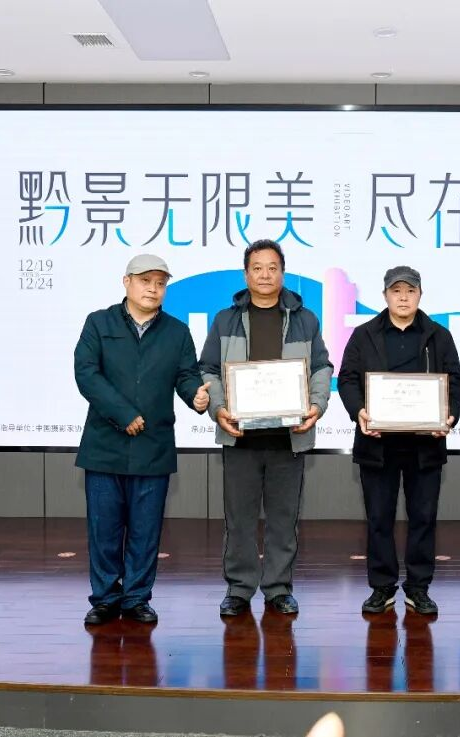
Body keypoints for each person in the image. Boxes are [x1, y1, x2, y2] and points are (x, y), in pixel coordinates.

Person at [199, 239, 333, 618]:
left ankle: (278, 588)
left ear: (282, 273)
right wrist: (219, 409)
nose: (265, 275)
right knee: (239, 520)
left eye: (272, 268)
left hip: (288, 438)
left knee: (283, 520)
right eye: (257, 268)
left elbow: (322, 367)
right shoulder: (225, 319)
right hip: (240, 437)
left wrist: (317, 405)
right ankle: (239, 589)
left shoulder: (305, 319)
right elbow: (208, 369)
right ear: (246, 274)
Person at [75, 253, 210, 626]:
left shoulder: (177, 332)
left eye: (160, 283)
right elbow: (86, 374)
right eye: (145, 281)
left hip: (153, 446)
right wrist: (123, 414)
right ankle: (105, 598)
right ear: (127, 282)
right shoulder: (98, 323)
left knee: (145, 532)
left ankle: (136, 598)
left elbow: (186, 375)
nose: (153, 289)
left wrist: (196, 396)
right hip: (104, 446)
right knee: (104, 530)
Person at [338, 266, 460, 616]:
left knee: (423, 517)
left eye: (410, 291)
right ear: (385, 296)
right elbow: (347, 379)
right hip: (377, 444)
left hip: (425, 445)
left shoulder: (439, 335)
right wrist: (359, 411)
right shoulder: (364, 335)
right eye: (397, 291)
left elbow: (454, 380)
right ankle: (382, 587)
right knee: (379, 518)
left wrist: (449, 415)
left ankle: (418, 588)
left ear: (420, 294)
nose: (404, 297)